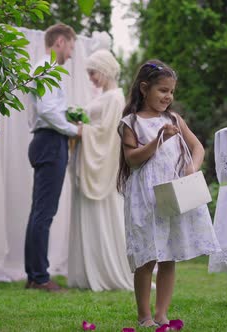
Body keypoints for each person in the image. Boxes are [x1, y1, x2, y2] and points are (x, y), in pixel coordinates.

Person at [117, 60, 221, 327]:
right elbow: (132, 160)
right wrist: (158, 140)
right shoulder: (131, 122)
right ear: (144, 88)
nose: (168, 97)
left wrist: (191, 167)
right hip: (146, 198)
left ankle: (162, 313)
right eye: (162, 90)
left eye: (171, 92)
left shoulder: (174, 119)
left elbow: (197, 147)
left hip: (172, 193)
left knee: (169, 254)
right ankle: (144, 315)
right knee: (147, 256)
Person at [67, 49, 134, 291]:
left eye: (93, 73)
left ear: (105, 70)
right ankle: (88, 271)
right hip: (88, 163)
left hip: (100, 169)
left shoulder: (115, 98)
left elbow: (108, 135)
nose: (91, 78)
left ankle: (107, 272)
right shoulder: (107, 96)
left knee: (103, 216)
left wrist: (83, 129)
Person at [24, 23, 82, 292]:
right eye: (70, 47)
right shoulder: (46, 69)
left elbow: (51, 108)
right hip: (49, 142)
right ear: (60, 42)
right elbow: (47, 110)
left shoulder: (45, 69)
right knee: (44, 213)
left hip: (47, 141)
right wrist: (74, 130)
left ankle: (35, 275)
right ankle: (39, 277)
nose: (70, 54)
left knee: (39, 212)